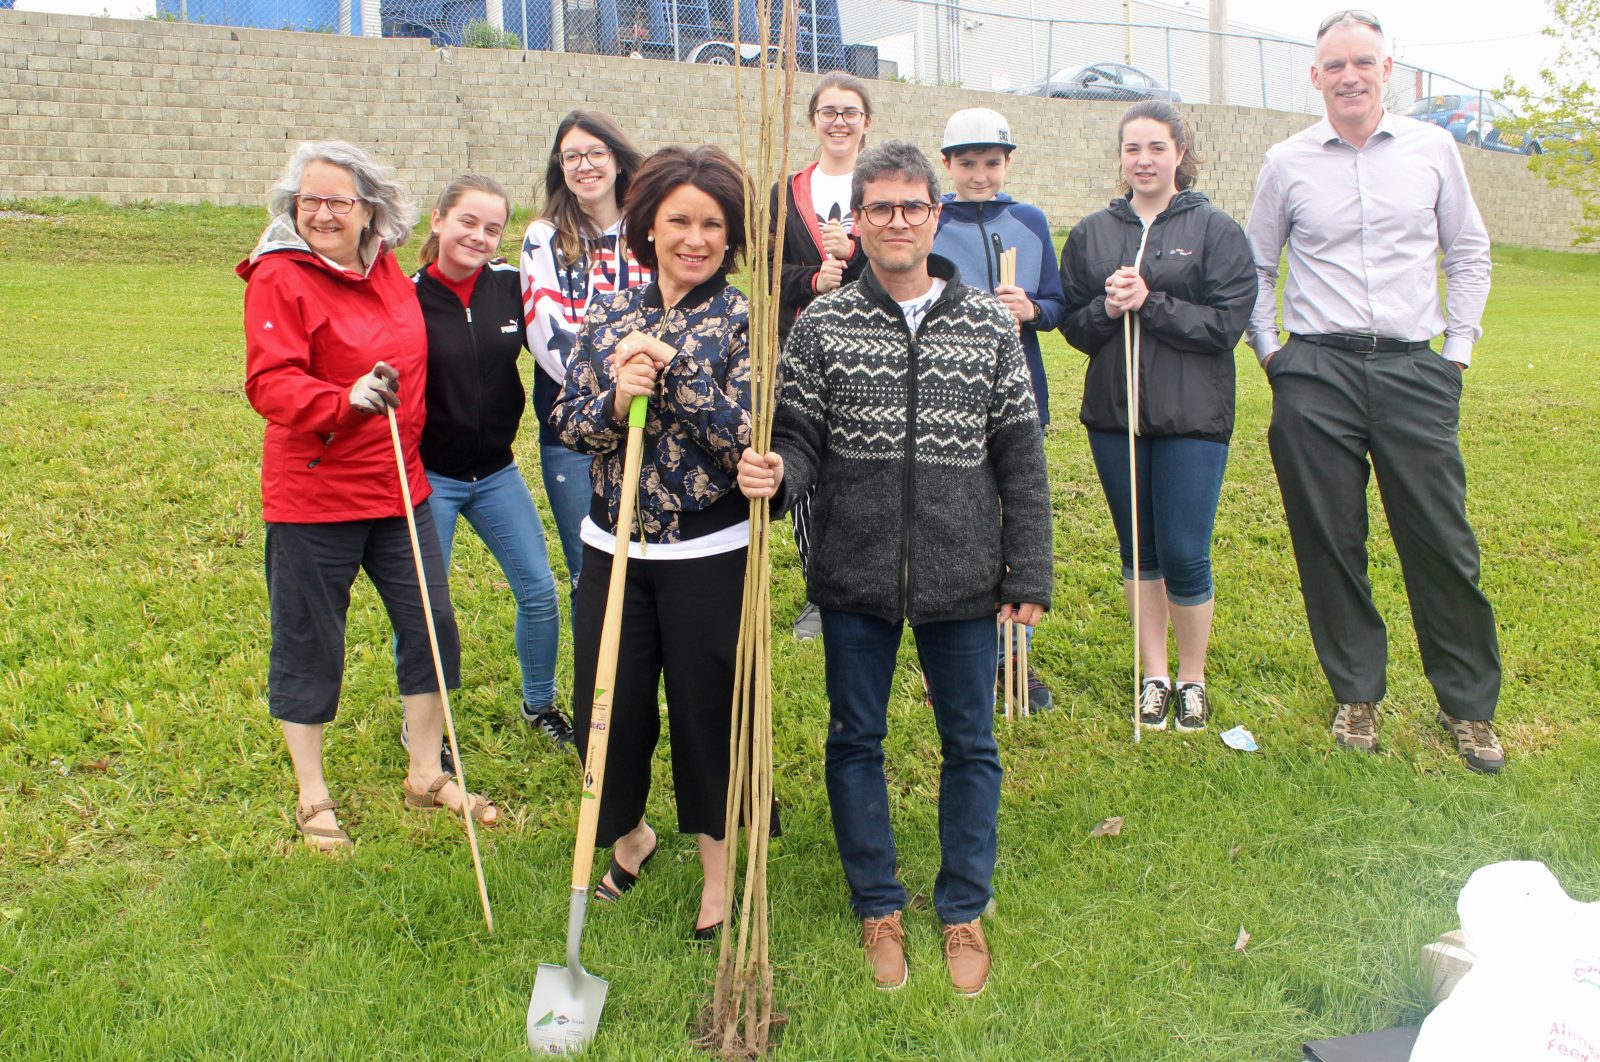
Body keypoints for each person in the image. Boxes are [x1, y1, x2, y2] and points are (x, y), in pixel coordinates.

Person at [738, 141, 1052, 996]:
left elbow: (1020, 457)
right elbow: (800, 439)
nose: (898, 221)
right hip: (855, 572)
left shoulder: (987, 323)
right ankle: (877, 902)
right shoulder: (824, 324)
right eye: (879, 207)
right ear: (858, 222)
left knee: (970, 744)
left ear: (935, 214)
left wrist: (1028, 570)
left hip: (963, 575)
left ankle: (961, 907)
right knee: (855, 740)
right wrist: (777, 477)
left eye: (912, 206)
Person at [1245, 10, 1504, 773]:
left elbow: (1469, 252)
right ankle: (1357, 692)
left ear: (1388, 70)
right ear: (1316, 77)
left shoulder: (1432, 148)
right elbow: (1258, 268)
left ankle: (1469, 708)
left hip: (1413, 371)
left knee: (1441, 541)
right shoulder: (1286, 161)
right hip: (1314, 373)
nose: (1349, 76)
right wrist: (1272, 356)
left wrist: (1454, 354)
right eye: (1334, 65)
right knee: (1330, 541)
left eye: (1363, 62)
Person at [239, 141, 500, 854]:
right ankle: (312, 790)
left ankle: (425, 771)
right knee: (309, 639)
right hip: (315, 495)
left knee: (432, 627)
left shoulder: (385, 266)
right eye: (310, 201)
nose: (322, 214)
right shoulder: (278, 277)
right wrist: (341, 399)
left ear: (369, 211)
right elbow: (269, 382)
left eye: (338, 202)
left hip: (397, 486)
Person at [551, 144, 757, 941]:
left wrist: (675, 375)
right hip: (614, 548)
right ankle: (631, 833)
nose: (695, 238)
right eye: (679, 220)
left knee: (708, 714)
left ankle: (716, 876)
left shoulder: (740, 318)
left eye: (712, 224)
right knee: (609, 709)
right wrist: (612, 399)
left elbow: (747, 441)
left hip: (708, 553)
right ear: (649, 225)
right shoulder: (612, 312)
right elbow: (567, 423)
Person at [1060, 100, 1255, 733]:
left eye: (1156, 148)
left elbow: (1226, 326)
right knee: (1138, 550)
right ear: (1120, 158)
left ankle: (1192, 679)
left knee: (1184, 551)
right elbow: (1074, 327)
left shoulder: (1215, 229)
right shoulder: (1093, 232)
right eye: (1132, 149)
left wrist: (1153, 302)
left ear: (1180, 154)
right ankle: (1152, 675)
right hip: (1116, 418)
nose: (1144, 160)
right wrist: (1109, 312)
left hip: (1192, 419)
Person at [410, 174, 570, 753]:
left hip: (497, 473)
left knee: (539, 591)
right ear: (437, 219)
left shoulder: (509, 287)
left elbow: (561, 336)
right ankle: (426, 727)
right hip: (431, 478)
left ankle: (540, 704)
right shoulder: (406, 295)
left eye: (492, 228)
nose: (478, 237)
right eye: (467, 222)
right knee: (430, 609)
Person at [933, 105, 1066, 714]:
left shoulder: (1030, 220)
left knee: (1018, 522)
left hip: (1021, 392)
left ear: (1008, 162)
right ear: (948, 165)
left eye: (991, 162)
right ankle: (954, 659)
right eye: (967, 163)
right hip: (949, 400)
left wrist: (1031, 309)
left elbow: (1059, 302)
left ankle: (1016, 657)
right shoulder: (932, 222)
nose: (980, 175)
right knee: (959, 525)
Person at [519, 110, 652, 615]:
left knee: (649, 564)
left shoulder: (649, 229)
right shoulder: (543, 237)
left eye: (596, 153)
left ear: (617, 160)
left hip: (652, 418)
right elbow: (548, 335)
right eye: (571, 156)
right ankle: (595, 693)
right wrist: (616, 390)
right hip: (573, 429)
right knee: (590, 568)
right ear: (560, 166)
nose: (585, 165)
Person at [771, 70, 873, 641]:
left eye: (850, 112)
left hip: (870, 351)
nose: (839, 121)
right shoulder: (787, 193)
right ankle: (819, 591)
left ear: (867, 123)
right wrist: (815, 278)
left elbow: (903, 268)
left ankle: (871, 580)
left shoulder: (883, 188)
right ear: (813, 120)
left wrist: (854, 257)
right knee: (806, 460)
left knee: (863, 466)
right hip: (803, 349)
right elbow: (764, 269)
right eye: (829, 111)